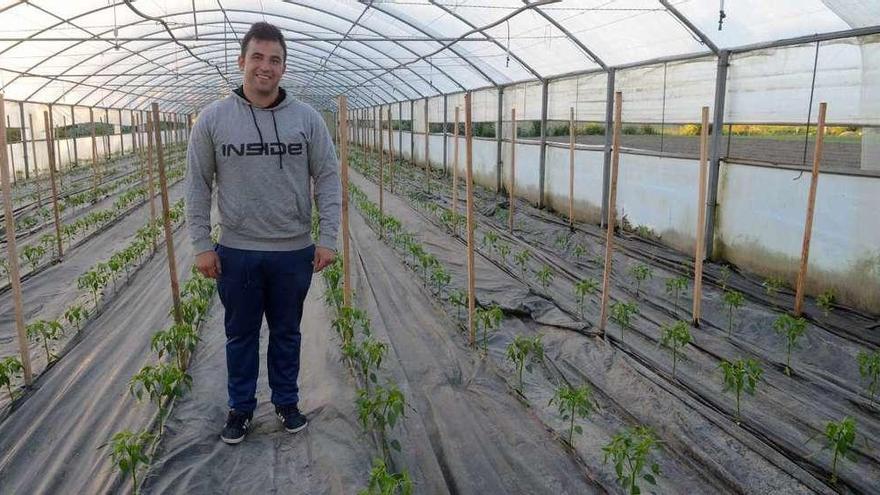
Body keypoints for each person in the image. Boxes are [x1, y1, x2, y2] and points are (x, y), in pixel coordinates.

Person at [185, 21, 341, 445]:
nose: (265, 67)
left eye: (274, 60)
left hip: (293, 251)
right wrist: (201, 244)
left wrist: (329, 237)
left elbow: (328, 177)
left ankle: (287, 403)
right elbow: (196, 184)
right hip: (236, 251)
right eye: (257, 57)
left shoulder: (307, 120)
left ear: (284, 67)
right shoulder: (213, 119)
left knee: (288, 332)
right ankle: (240, 409)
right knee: (240, 335)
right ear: (241, 62)